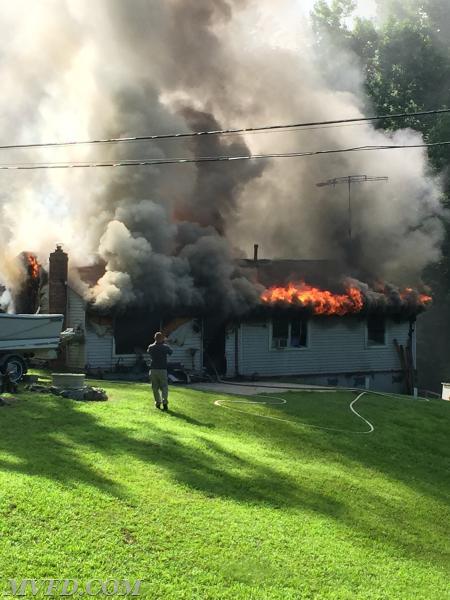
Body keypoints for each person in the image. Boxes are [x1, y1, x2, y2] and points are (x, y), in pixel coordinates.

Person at [147, 331, 173, 411]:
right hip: (162, 369)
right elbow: (171, 352)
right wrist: (166, 343)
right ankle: (165, 402)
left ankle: (158, 403)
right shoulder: (165, 347)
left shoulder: (151, 347)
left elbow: (149, 351)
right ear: (162, 339)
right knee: (164, 387)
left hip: (153, 369)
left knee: (155, 387)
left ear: (154, 338)